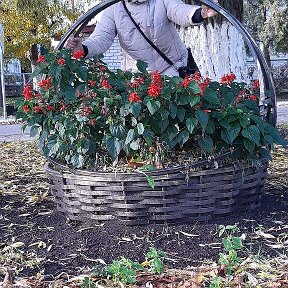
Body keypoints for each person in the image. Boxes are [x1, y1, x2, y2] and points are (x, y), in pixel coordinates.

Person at [65, 0, 218, 77]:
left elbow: (179, 10)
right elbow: (101, 38)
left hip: (173, 69)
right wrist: (83, 48)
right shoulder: (113, 8)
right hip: (139, 77)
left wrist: (201, 13)